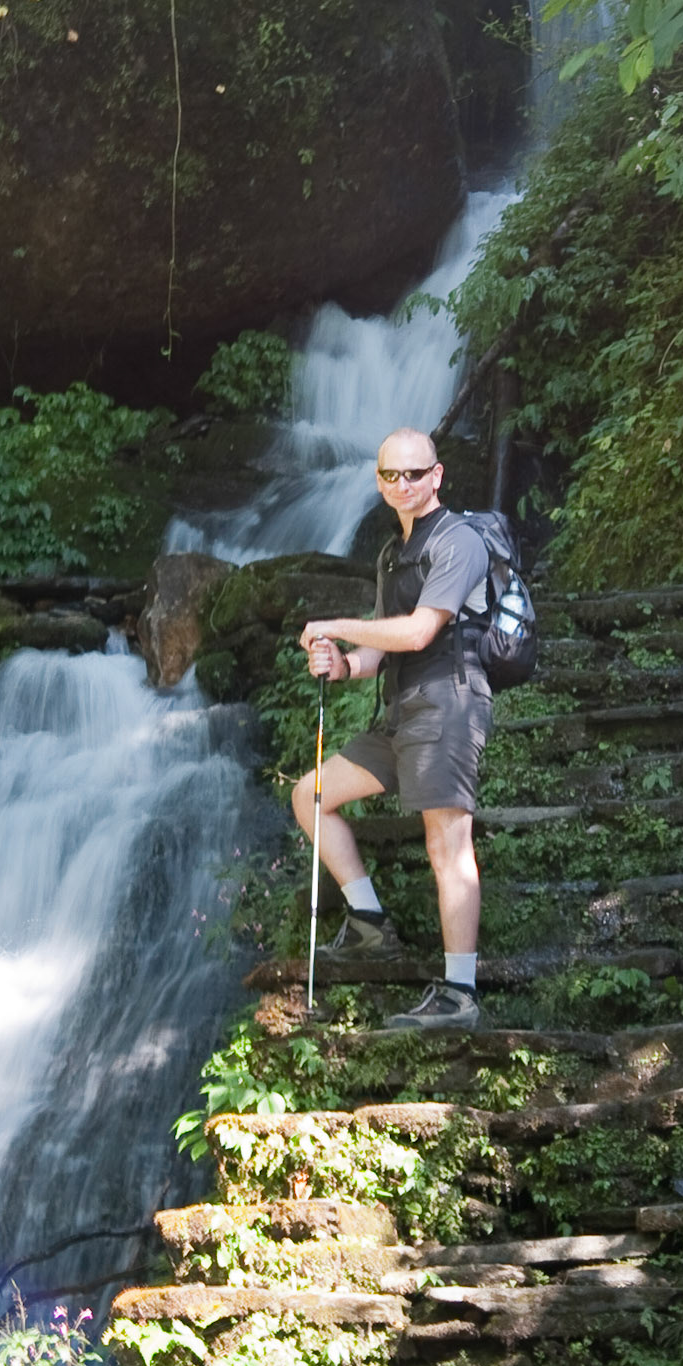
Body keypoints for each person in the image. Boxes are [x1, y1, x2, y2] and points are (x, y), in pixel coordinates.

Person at [293, 427, 493, 1031]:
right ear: (379, 482)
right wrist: (343, 663)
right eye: (389, 475)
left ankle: (461, 995)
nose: (401, 484)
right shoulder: (391, 554)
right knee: (311, 796)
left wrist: (336, 622)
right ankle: (370, 925)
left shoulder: (459, 542)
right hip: (400, 708)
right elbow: (381, 652)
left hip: (448, 703)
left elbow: (417, 634)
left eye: (413, 473)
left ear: (437, 476)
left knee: (446, 844)